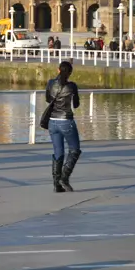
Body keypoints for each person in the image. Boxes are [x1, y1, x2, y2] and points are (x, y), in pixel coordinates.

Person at [45, 61, 82, 193]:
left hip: (52, 122)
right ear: (70, 72)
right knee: (75, 150)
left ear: (58, 70)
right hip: (66, 121)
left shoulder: (50, 83)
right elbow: (76, 104)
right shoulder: (71, 86)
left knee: (58, 152)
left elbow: (48, 99)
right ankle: (64, 177)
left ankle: (56, 185)